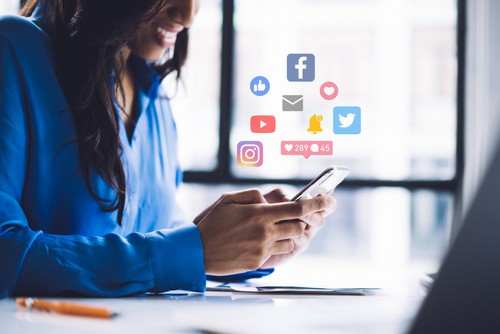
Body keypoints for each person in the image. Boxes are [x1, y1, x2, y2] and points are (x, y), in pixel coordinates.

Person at [0, 0, 336, 298]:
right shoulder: (14, 48)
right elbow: (5, 250)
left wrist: (252, 243)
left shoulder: (152, 94)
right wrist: (192, 251)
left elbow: (155, 241)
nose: (188, 14)